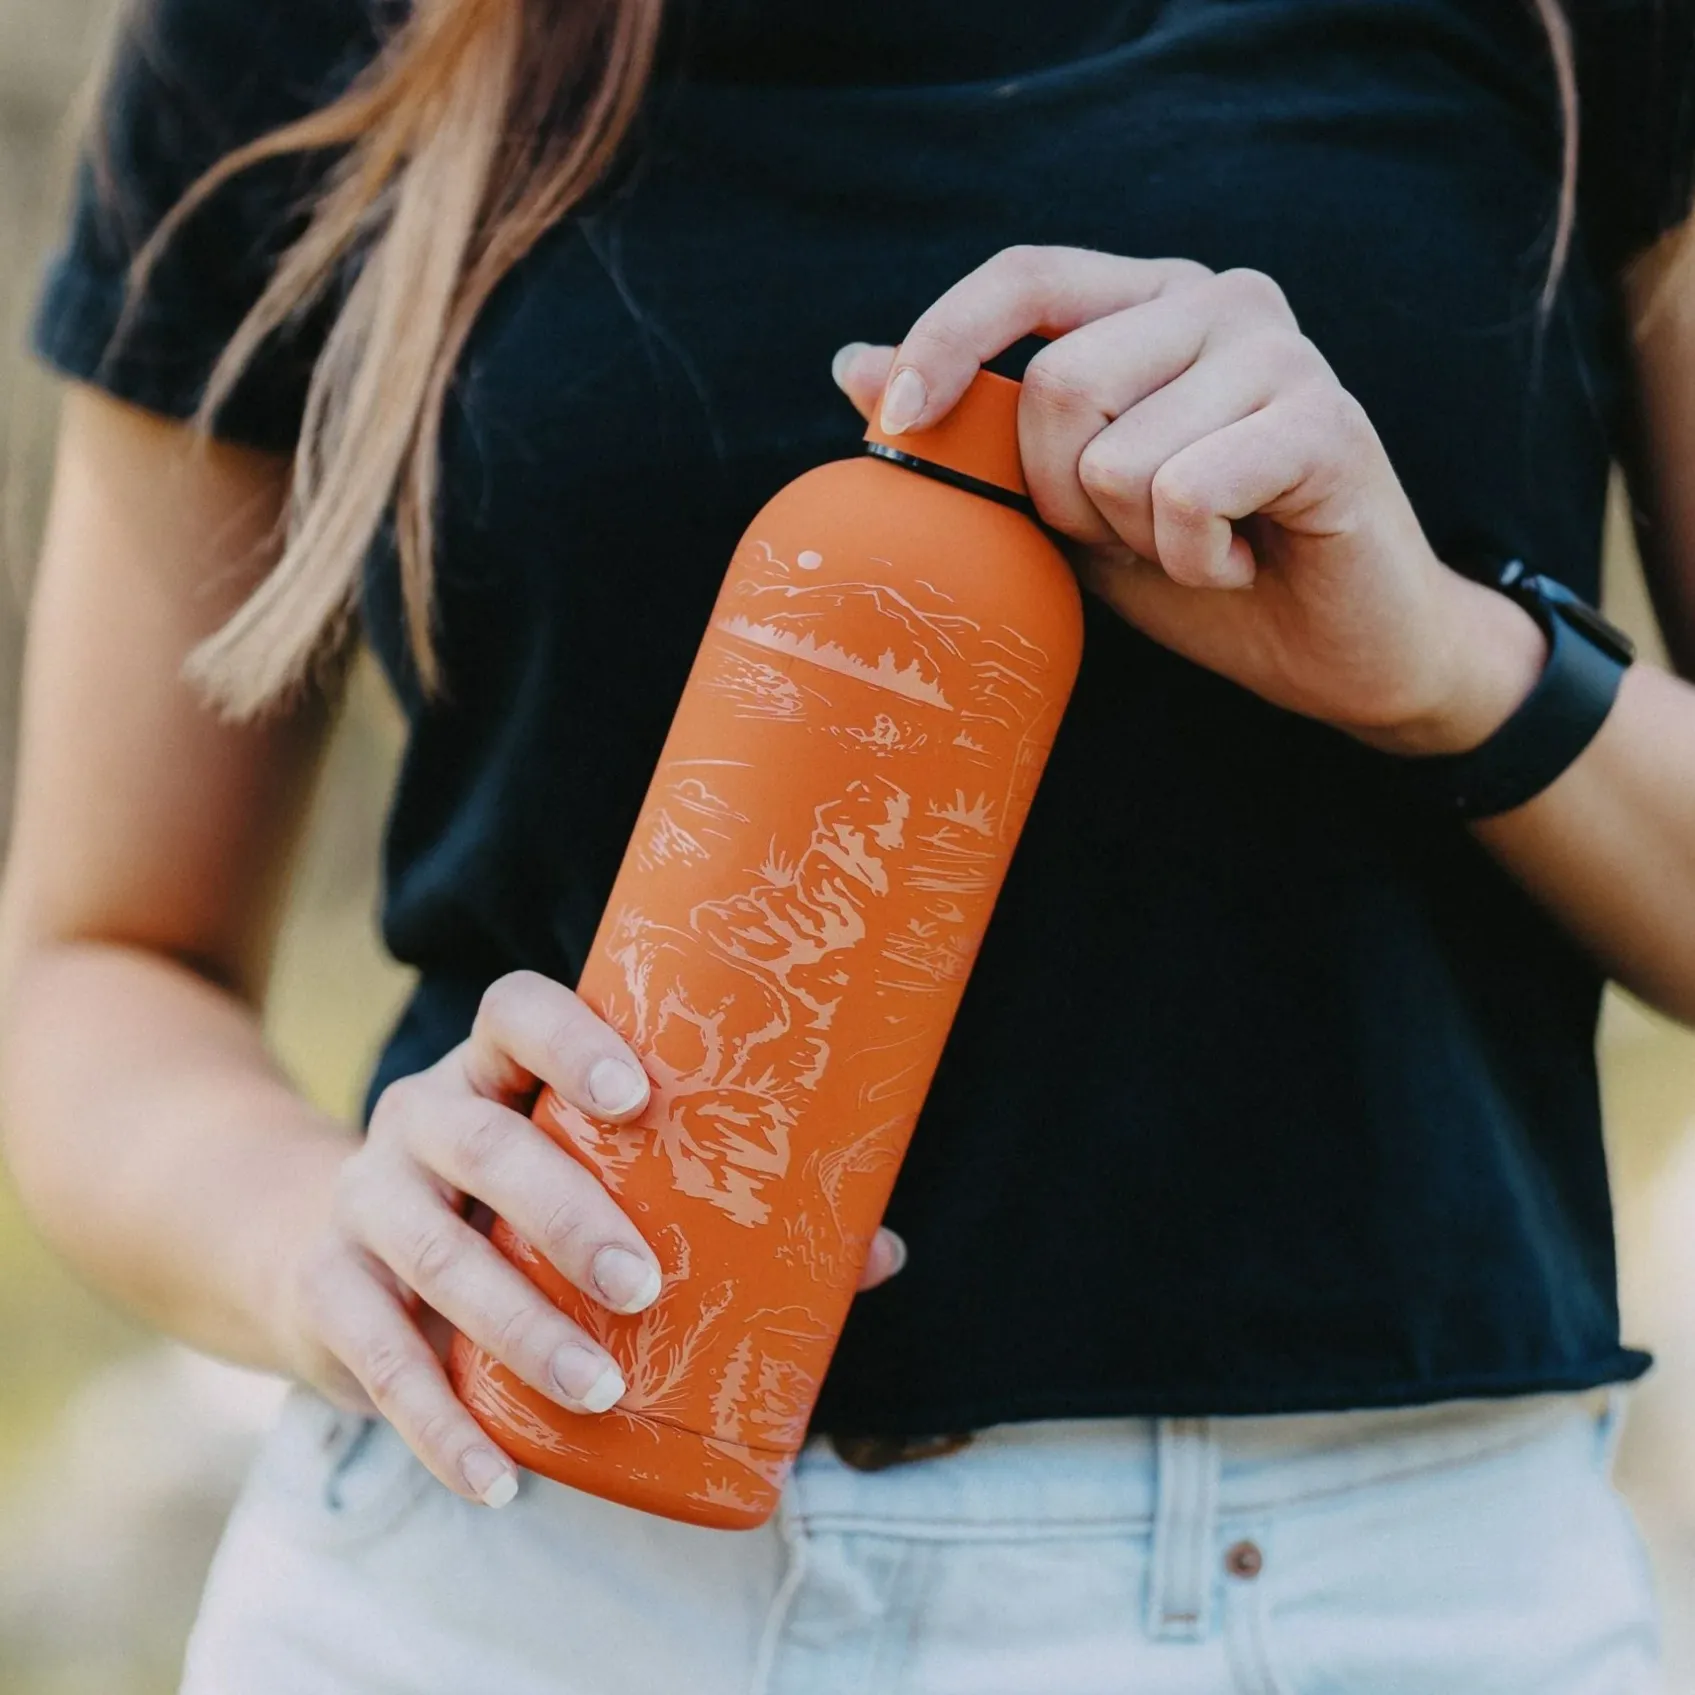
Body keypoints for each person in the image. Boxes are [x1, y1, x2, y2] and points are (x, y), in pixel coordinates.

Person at [2, 0, 1693, 1687]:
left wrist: (1455, 673)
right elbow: (97, 956)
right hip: (507, 1566)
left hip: (1359, 1615)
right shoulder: (289, 31)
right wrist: (326, 1238)